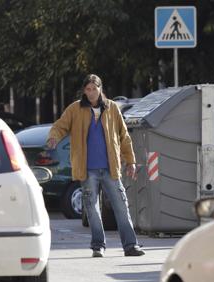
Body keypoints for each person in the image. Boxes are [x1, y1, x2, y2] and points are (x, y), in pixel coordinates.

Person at [46, 74, 145, 257]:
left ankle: (131, 246)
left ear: (101, 89)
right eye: (88, 89)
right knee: (92, 208)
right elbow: (60, 126)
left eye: (95, 89)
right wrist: (53, 137)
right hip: (87, 169)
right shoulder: (75, 109)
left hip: (111, 168)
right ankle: (98, 245)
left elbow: (124, 137)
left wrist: (130, 161)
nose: (91, 93)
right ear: (84, 91)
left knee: (121, 206)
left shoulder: (112, 108)